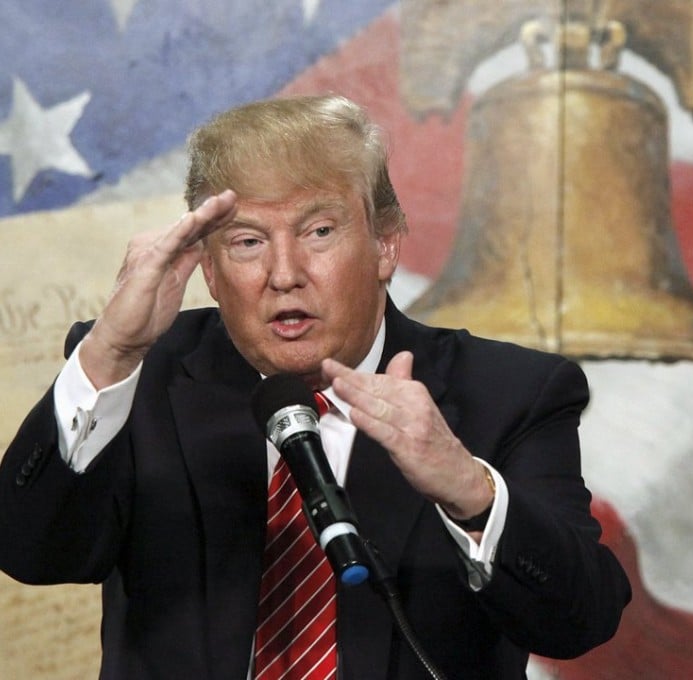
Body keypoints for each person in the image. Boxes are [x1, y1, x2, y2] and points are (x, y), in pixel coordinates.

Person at [0, 94, 631, 679]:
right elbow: (32, 553)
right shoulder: (141, 374)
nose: (284, 274)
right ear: (211, 272)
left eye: (318, 232)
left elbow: (580, 620)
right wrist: (112, 351)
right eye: (247, 242)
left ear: (385, 244)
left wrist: (467, 488)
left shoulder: (510, 391)